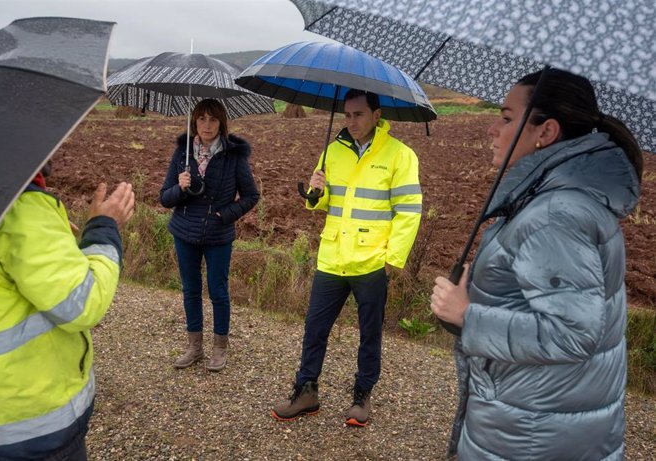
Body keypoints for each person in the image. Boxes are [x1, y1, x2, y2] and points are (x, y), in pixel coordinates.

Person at [430, 69, 643, 460]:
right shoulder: (560, 198)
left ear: (545, 133)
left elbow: (573, 333)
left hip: (531, 434)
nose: (493, 129)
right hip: (549, 419)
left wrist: (467, 315)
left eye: (508, 118)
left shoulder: (554, 214)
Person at [272, 89, 422, 426]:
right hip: (332, 256)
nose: (351, 121)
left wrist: (392, 258)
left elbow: (409, 211)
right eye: (347, 115)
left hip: (371, 261)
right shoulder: (332, 152)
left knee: (369, 333)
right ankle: (307, 390)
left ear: (376, 115)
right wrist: (315, 192)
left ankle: (362, 395)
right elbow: (321, 202)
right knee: (315, 328)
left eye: (358, 114)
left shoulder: (400, 155)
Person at [0, 166, 135, 460]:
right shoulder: (16, 209)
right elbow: (82, 303)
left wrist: (50, 234)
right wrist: (103, 227)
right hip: (26, 426)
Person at [160, 98, 259, 372]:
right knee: (190, 291)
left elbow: (251, 195)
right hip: (184, 233)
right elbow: (164, 199)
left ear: (221, 123)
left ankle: (219, 348)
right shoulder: (183, 154)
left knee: (218, 291)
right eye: (201, 119)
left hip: (218, 235)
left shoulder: (233, 155)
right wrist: (180, 187)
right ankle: (194, 346)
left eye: (212, 119)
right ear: (194, 121)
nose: (206, 125)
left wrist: (224, 215)